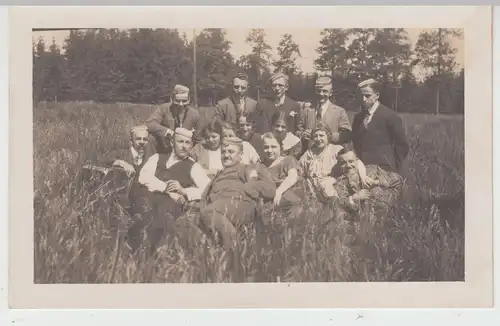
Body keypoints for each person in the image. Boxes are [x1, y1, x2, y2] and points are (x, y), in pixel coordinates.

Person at [127, 128, 211, 253]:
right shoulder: (157, 157)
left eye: (187, 143)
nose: (184, 146)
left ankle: (153, 246)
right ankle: (136, 239)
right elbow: (144, 176)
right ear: (172, 143)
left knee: (165, 210)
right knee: (143, 204)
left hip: (169, 203)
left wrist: (184, 191)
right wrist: (165, 188)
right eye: (180, 142)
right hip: (148, 196)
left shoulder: (193, 166)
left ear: (192, 146)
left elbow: (206, 188)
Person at [197, 137, 276, 251]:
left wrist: (249, 187)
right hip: (218, 208)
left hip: (239, 203)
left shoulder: (249, 168)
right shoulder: (218, 175)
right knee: (184, 222)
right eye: (223, 152)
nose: (226, 155)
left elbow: (270, 190)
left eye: (231, 151)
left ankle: (234, 248)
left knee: (209, 212)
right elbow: (205, 197)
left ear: (241, 154)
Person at [351, 78, 409, 173]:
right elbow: (355, 143)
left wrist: (393, 166)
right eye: (361, 96)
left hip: (383, 169)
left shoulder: (390, 116)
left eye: (367, 96)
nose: (364, 99)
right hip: (361, 169)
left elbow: (402, 145)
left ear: (377, 95)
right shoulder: (358, 118)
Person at [333, 145, 403, 224]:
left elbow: (397, 179)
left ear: (357, 161)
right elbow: (341, 202)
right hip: (364, 222)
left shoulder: (372, 170)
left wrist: (376, 182)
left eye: (351, 161)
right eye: (343, 163)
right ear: (339, 166)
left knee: (376, 191)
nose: (348, 166)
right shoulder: (340, 183)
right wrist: (355, 197)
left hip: (387, 215)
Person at [145, 84, 203, 153]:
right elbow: (150, 123)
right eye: (177, 101)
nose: (181, 104)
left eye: (184, 101)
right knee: (151, 138)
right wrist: (167, 132)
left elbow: (199, 138)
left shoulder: (194, 114)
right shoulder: (164, 108)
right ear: (171, 100)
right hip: (166, 147)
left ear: (189, 100)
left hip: (185, 150)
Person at [297, 76, 351, 148]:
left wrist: (330, 136)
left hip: (330, 153)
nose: (321, 94)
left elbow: (346, 135)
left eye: (325, 91)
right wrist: (303, 134)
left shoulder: (339, 111)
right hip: (310, 153)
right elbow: (298, 130)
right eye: (318, 91)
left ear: (331, 93)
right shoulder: (307, 110)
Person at [260, 132, 303, 215]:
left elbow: (292, 177)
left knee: (292, 202)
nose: (269, 150)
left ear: (280, 147)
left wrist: (279, 192)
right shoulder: (261, 166)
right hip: (268, 197)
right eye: (266, 147)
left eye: (273, 147)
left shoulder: (287, 160)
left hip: (285, 192)